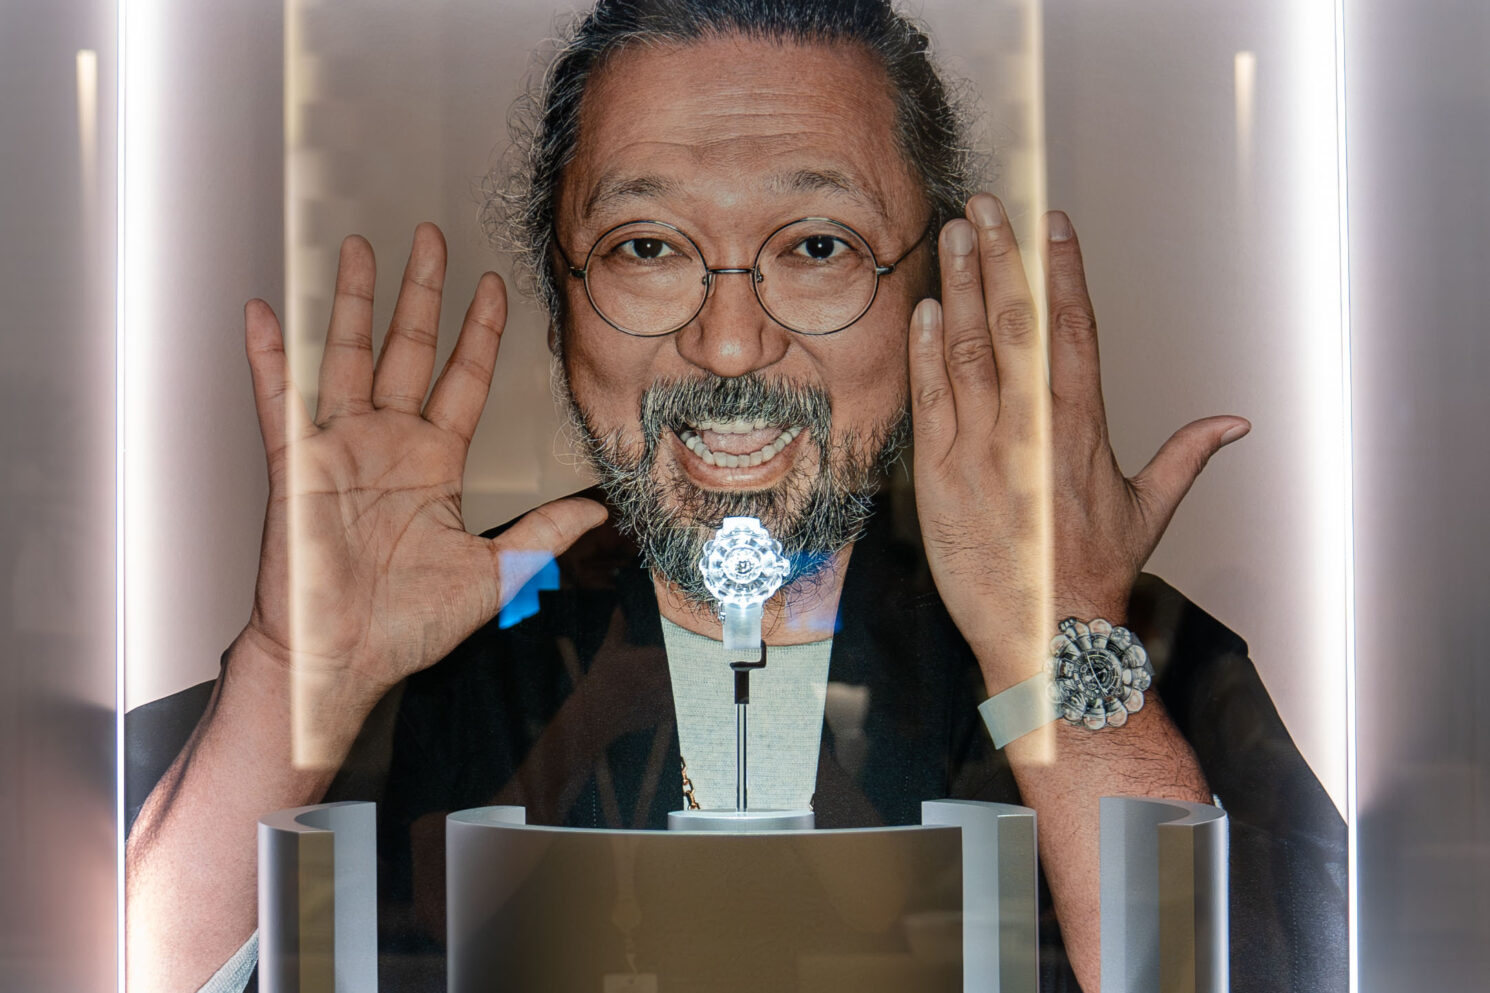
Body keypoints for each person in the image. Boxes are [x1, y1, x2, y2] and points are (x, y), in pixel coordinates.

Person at [124, 1, 1347, 991]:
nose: (725, 345)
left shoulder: (1119, 654)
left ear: (934, 295)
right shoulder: (418, 664)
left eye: (815, 247)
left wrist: (1057, 653)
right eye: (645, 248)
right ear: (562, 306)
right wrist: (295, 680)